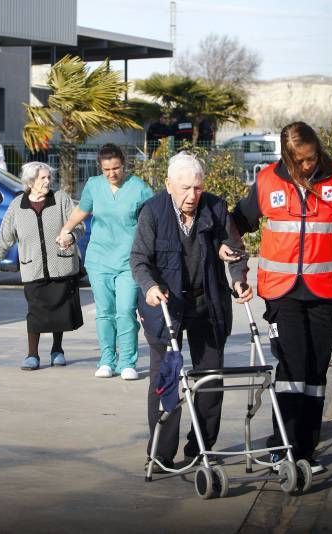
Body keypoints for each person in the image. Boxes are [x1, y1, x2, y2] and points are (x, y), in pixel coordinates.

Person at [230, 121, 332, 475]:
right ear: (287, 157)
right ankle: (281, 448)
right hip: (282, 293)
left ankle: (306, 450)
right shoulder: (267, 181)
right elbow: (237, 222)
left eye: (312, 157)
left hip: (325, 293)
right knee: (292, 368)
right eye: (299, 160)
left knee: (316, 371)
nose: (307, 165)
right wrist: (229, 255)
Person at [130, 151, 252, 471]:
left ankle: (201, 448)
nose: (191, 195)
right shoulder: (153, 211)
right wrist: (149, 286)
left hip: (207, 303)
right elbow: (139, 259)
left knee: (210, 378)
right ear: (169, 184)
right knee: (167, 378)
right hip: (166, 305)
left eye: (197, 188)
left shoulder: (215, 207)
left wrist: (238, 280)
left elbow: (235, 250)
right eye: (184, 188)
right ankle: (161, 452)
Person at [56, 143, 153, 380]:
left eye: (116, 168)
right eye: (107, 169)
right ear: (100, 167)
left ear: (124, 164)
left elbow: (153, 219)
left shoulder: (139, 188)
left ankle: (127, 361)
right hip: (99, 259)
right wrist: (66, 230)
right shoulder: (94, 185)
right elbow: (82, 210)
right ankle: (107, 360)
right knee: (104, 312)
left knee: (125, 310)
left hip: (129, 260)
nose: (112, 174)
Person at [0, 162, 85, 371]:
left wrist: (70, 236)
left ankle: (57, 349)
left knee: (60, 311)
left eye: (49, 177)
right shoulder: (17, 205)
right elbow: (5, 238)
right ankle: (32, 354)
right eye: (43, 178)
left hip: (60, 264)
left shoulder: (61, 199)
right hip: (32, 268)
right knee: (35, 313)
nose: (48, 181)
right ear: (30, 181)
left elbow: (79, 225)